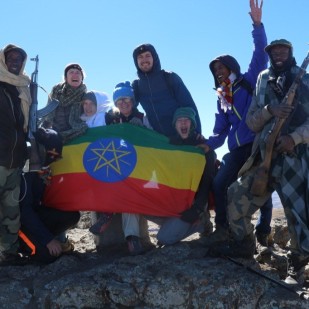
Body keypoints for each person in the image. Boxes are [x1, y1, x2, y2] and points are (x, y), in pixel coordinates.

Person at [210, 39, 309, 285]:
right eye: (274, 51)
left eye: (283, 50)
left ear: (290, 53)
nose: (278, 54)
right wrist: (269, 111)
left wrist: (293, 138)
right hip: (263, 156)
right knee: (236, 194)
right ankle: (244, 244)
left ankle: (298, 266)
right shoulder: (262, 79)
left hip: (294, 158)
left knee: (297, 212)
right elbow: (252, 122)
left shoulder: (304, 79)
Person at [201, 0, 273, 248]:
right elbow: (220, 131)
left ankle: (264, 229)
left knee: (263, 185)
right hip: (237, 148)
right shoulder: (222, 97)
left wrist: (257, 24)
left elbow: (260, 52)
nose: (219, 71)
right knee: (220, 183)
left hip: (258, 142)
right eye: (215, 69)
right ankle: (223, 228)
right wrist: (208, 144)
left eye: (222, 66)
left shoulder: (249, 80)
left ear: (231, 66)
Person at [90, 81, 151, 255]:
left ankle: (131, 236)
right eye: (119, 101)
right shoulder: (110, 119)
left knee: (128, 192)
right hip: (116, 165)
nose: (123, 103)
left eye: (126, 99)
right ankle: (110, 217)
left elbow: (153, 143)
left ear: (132, 100)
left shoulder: (142, 119)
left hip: (138, 168)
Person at [19, 128, 80, 264]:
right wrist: (48, 240)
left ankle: (48, 241)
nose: (53, 159)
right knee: (48, 256)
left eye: (56, 156)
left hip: (35, 217)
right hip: (19, 226)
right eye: (51, 154)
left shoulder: (44, 169)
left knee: (72, 216)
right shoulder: (26, 169)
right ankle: (24, 250)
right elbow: (24, 212)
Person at [0, 44, 32, 265]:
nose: (15, 61)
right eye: (10, 57)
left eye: (19, 59)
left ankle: (9, 254)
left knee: (11, 213)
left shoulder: (24, 89)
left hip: (14, 162)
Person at [132, 43, 201, 137]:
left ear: (154, 58)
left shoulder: (169, 77)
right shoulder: (137, 85)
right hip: (158, 141)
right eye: (140, 57)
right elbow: (129, 108)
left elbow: (189, 106)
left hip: (182, 137)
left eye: (148, 56)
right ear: (136, 61)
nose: (144, 60)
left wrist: (197, 133)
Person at [168, 107, 216, 236]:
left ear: (192, 124)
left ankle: (203, 222)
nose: (183, 123)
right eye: (179, 120)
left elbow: (207, 181)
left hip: (195, 201)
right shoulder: (169, 145)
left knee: (166, 238)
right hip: (175, 199)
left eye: (187, 120)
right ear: (175, 125)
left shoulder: (204, 147)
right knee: (165, 235)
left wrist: (198, 208)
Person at [43, 63, 88, 144]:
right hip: (56, 136)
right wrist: (43, 131)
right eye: (71, 72)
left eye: (78, 73)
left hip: (78, 134)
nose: (75, 75)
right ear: (66, 78)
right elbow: (48, 115)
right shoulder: (57, 91)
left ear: (82, 78)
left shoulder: (87, 96)